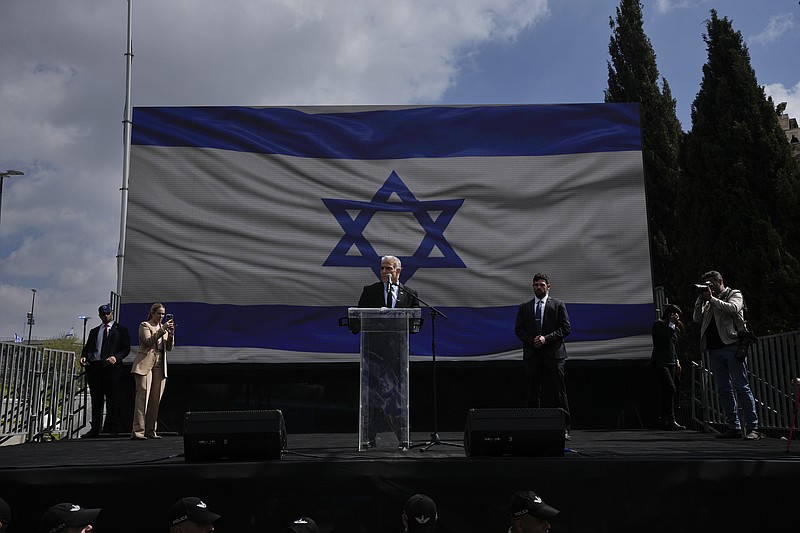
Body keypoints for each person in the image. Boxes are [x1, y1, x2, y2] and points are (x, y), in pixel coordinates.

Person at [354, 255, 420, 448]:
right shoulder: (370, 291)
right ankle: (369, 439)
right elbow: (358, 318)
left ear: (398, 271)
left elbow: (415, 322)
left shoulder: (409, 293)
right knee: (372, 397)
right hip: (373, 353)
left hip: (397, 354)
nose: (384, 272)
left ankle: (403, 438)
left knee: (398, 398)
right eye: (382, 268)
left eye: (388, 268)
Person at [692, 270, 760, 440]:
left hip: (732, 346)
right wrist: (700, 299)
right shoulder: (708, 301)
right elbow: (697, 319)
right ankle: (734, 426)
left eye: (711, 284)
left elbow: (734, 308)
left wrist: (712, 299)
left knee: (741, 387)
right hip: (714, 350)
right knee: (723, 389)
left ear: (719, 281)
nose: (709, 288)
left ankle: (754, 428)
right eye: (706, 285)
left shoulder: (733, 293)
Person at [514, 273, 572, 439]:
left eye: (541, 285)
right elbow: (519, 329)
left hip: (554, 354)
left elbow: (566, 328)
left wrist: (546, 339)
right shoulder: (524, 306)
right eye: (536, 285)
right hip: (533, 354)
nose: (538, 287)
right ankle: (533, 425)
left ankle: (565, 427)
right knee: (533, 392)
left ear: (548, 286)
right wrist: (532, 341)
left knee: (558, 392)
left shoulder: (558, 305)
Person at [79, 303, 131, 438]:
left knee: (112, 398)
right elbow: (87, 348)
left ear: (111, 313)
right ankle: (95, 429)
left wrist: (116, 357)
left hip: (112, 368)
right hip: (95, 367)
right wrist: (84, 357)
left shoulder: (121, 330)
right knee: (96, 400)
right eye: (103, 314)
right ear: (99, 316)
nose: (106, 316)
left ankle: (113, 429)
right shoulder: (95, 331)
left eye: (108, 313)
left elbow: (126, 349)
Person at [130, 302, 175, 440]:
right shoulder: (145, 325)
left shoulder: (164, 327)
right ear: (152, 313)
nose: (161, 316)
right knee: (142, 397)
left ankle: (150, 430)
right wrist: (163, 330)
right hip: (145, 365)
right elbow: (148, 341)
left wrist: (171, 334)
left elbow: (169, 348)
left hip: (160, 365)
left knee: (155, 400)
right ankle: (138, 431)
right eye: (158, 313)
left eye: (163, 314)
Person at [651, 304, 686, 430]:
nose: (676, 318)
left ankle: (665, 418)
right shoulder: (659, 325)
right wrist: (671, 324)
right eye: (674, 314)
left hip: (671, 361)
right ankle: (670, 418)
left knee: (669, 391)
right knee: (670, 388)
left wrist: (677, 360)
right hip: (660, 361)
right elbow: (665, 338)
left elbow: (672, 345)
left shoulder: (673, 328)